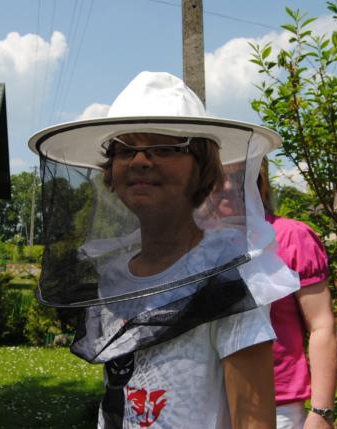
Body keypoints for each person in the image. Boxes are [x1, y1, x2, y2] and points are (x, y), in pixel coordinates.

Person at [29, 71, 300, 428]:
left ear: (202, 167)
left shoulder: (227, 275)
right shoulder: (114, 277)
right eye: (126, 149)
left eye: (164, 148)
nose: (140, 161)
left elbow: (254, 422)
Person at [258, 159, 337, 429]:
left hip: (278, 408)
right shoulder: (202, 243)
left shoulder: (291, 237)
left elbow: (321, 325)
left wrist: (321, 412)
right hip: (211, 401)